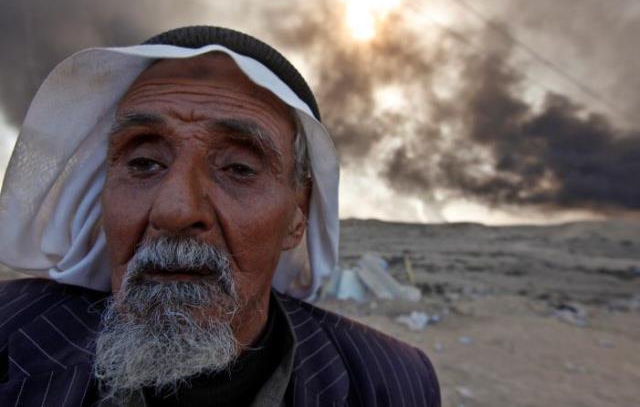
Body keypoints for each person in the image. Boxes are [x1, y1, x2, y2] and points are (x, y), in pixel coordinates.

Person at [0, 26, 440, 406]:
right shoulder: (10, 337)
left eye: (238, 169)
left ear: (297, 216)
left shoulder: (391, 383)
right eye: (144, 162)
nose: (175, 211)